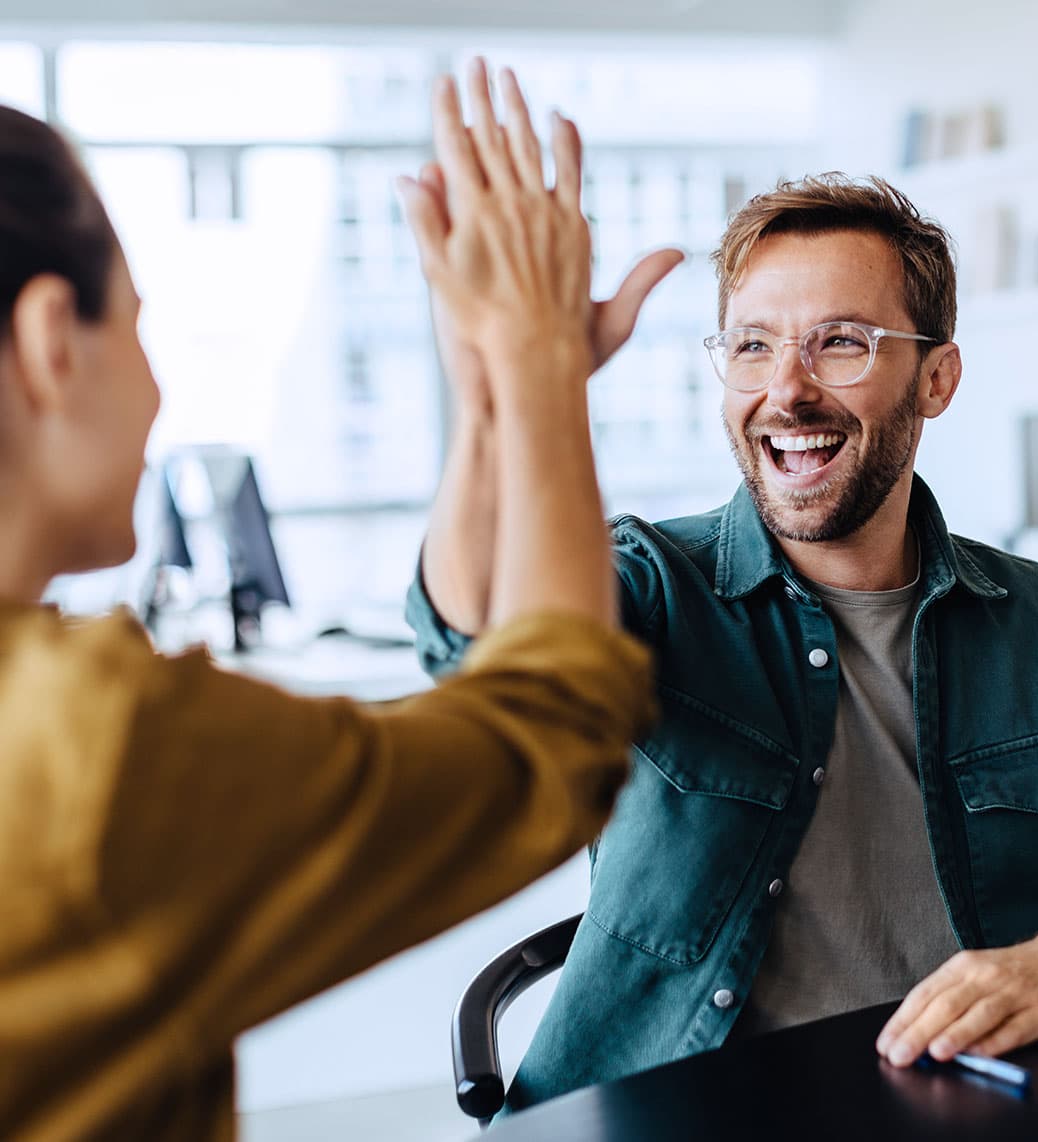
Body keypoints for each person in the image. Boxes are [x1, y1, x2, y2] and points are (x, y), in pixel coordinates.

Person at [0, 60, 656, 1141]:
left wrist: (501, 395)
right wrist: (536, 362)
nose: (159, 387)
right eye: (137, 325)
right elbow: (550, 731)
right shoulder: (86, 744)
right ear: (48, 343)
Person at [408, 170, 1038, 1114]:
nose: (787, 391)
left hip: (952, 1107)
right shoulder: (651, 585)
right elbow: (472, 634)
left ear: (937, 379)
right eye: (754, 346)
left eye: (841, 343)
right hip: (663, 1111)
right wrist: (499, 392)